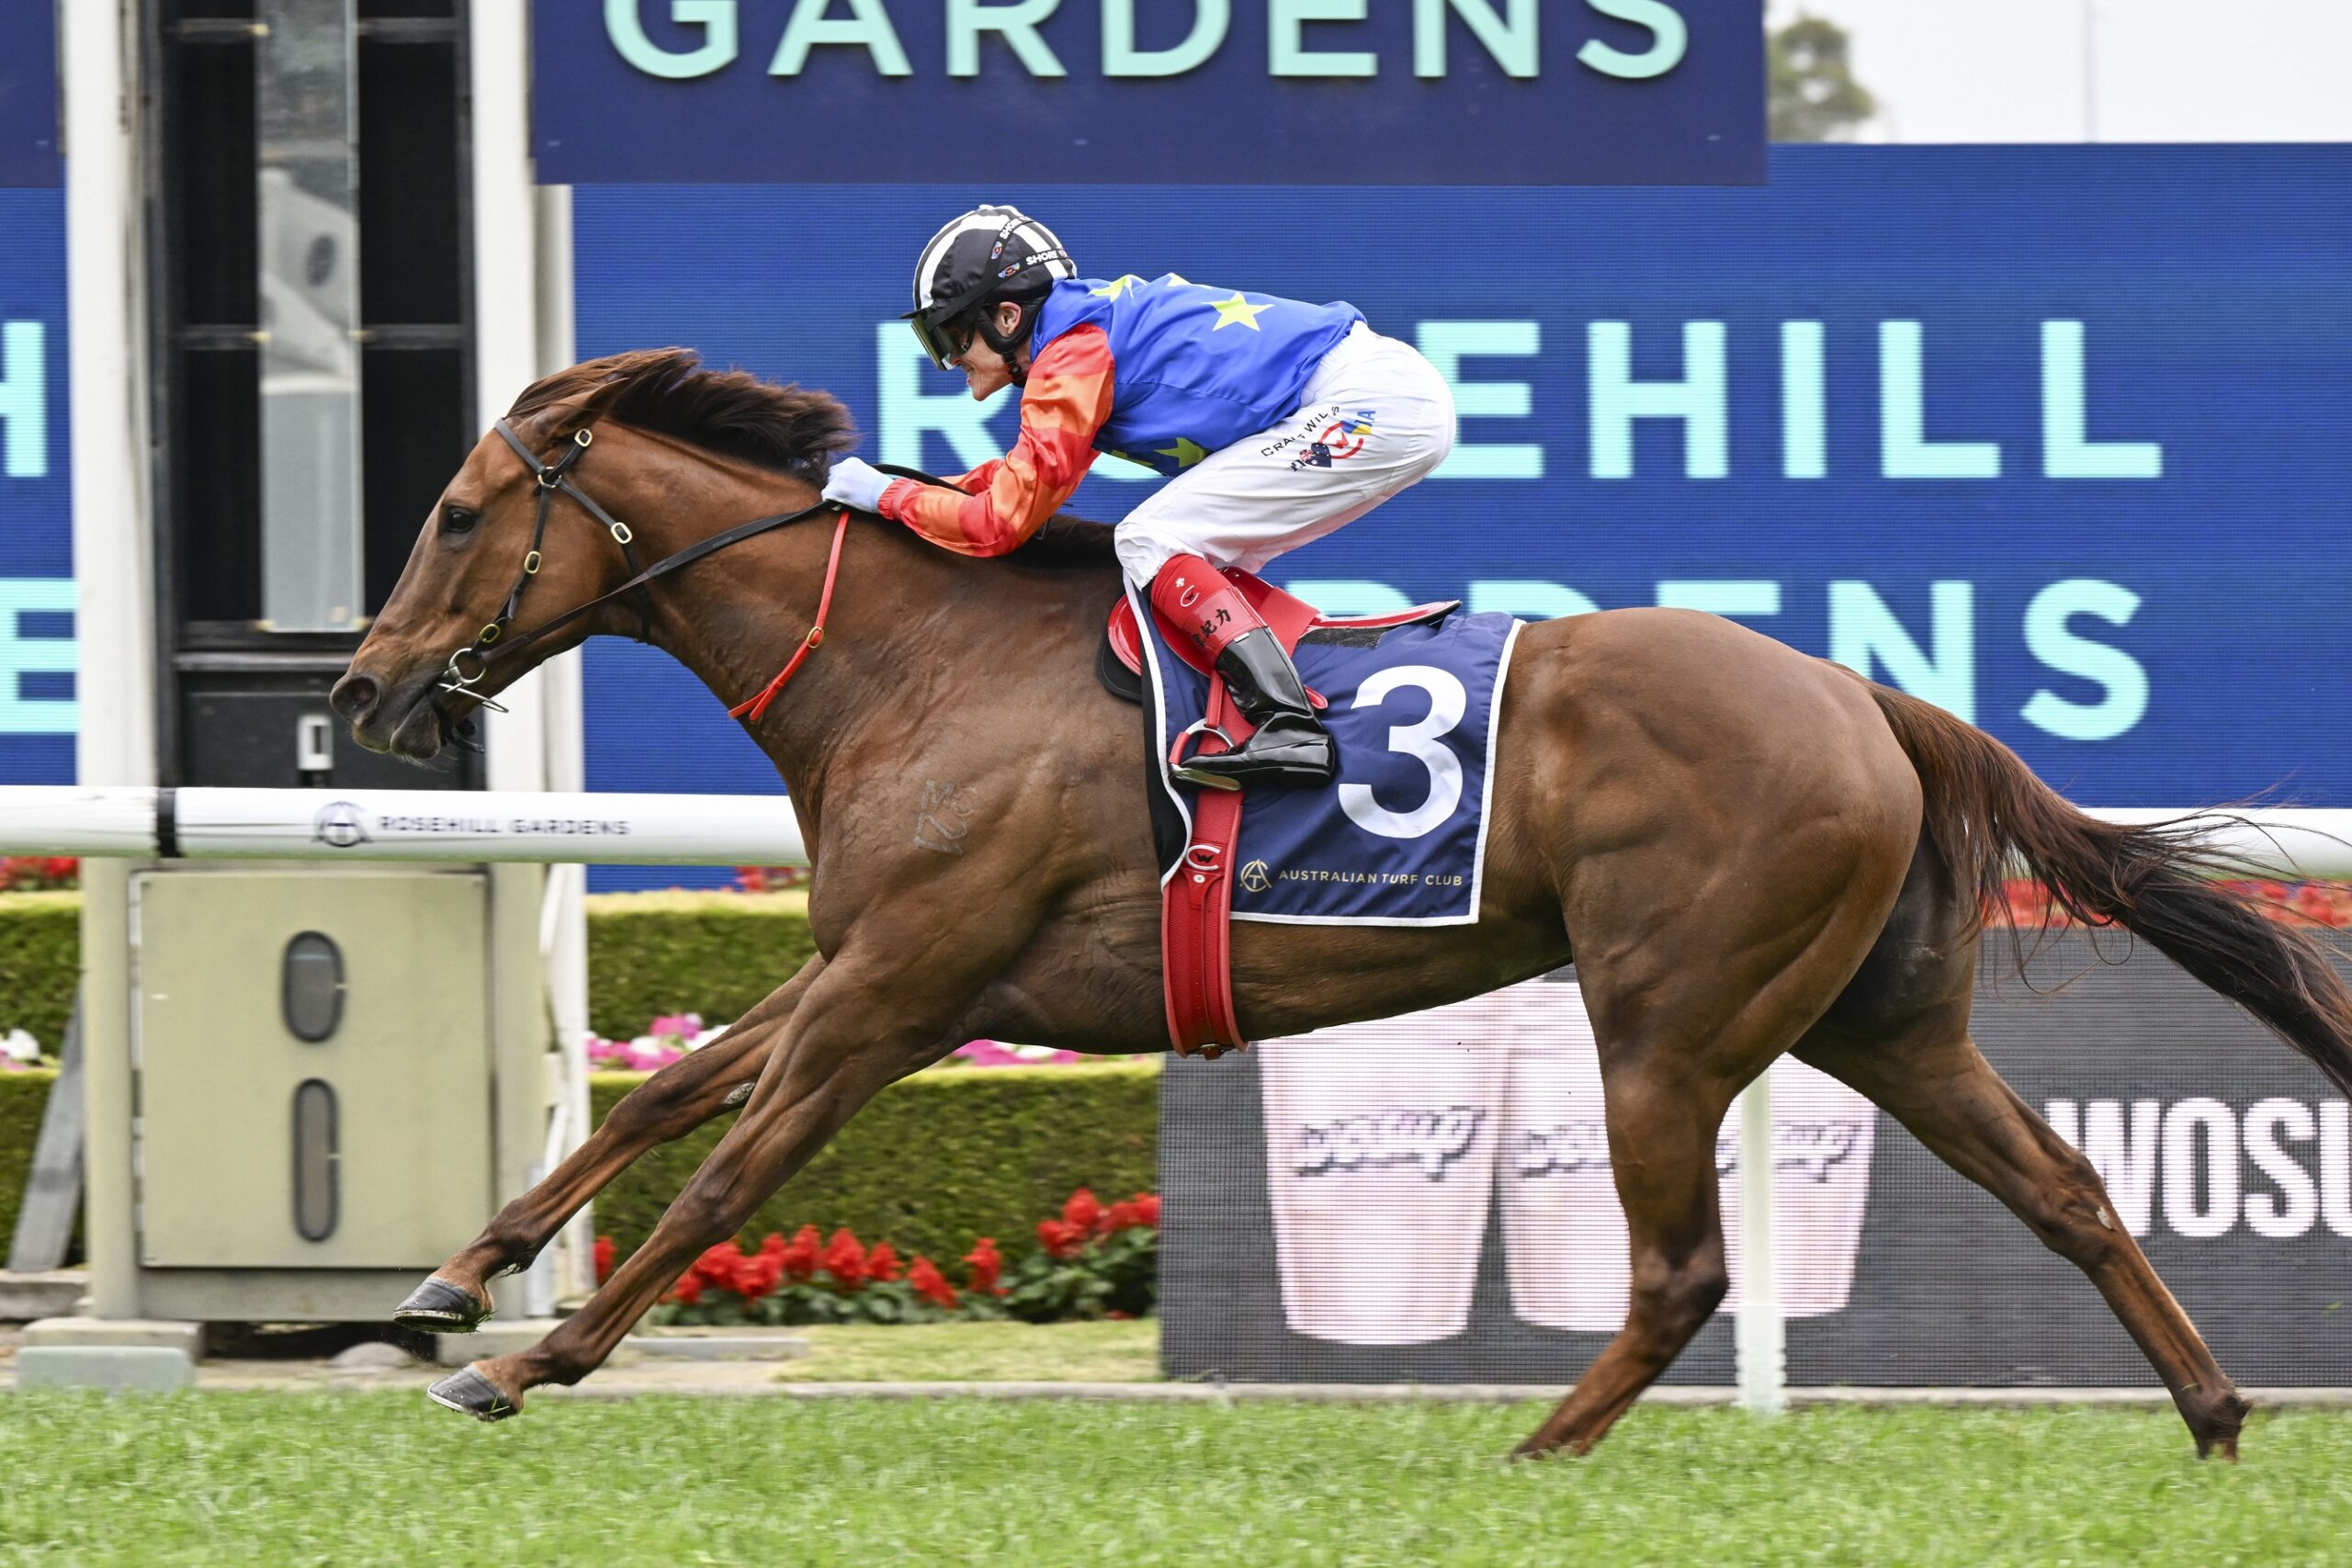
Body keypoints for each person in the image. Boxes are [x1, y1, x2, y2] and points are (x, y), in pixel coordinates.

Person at [821, 206, 1456, 789]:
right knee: (1197, 565)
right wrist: (901, 490)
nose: (950, 359)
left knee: (1150, 538)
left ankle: (1289, 723)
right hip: (1378, 394)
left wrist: (890, 497)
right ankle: (1267, 711)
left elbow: (1001, 523)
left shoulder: (1073, 355)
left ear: (1007, 318)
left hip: (1370, 402)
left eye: (954, 335)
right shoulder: (1079, 335)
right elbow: (1020, 481)